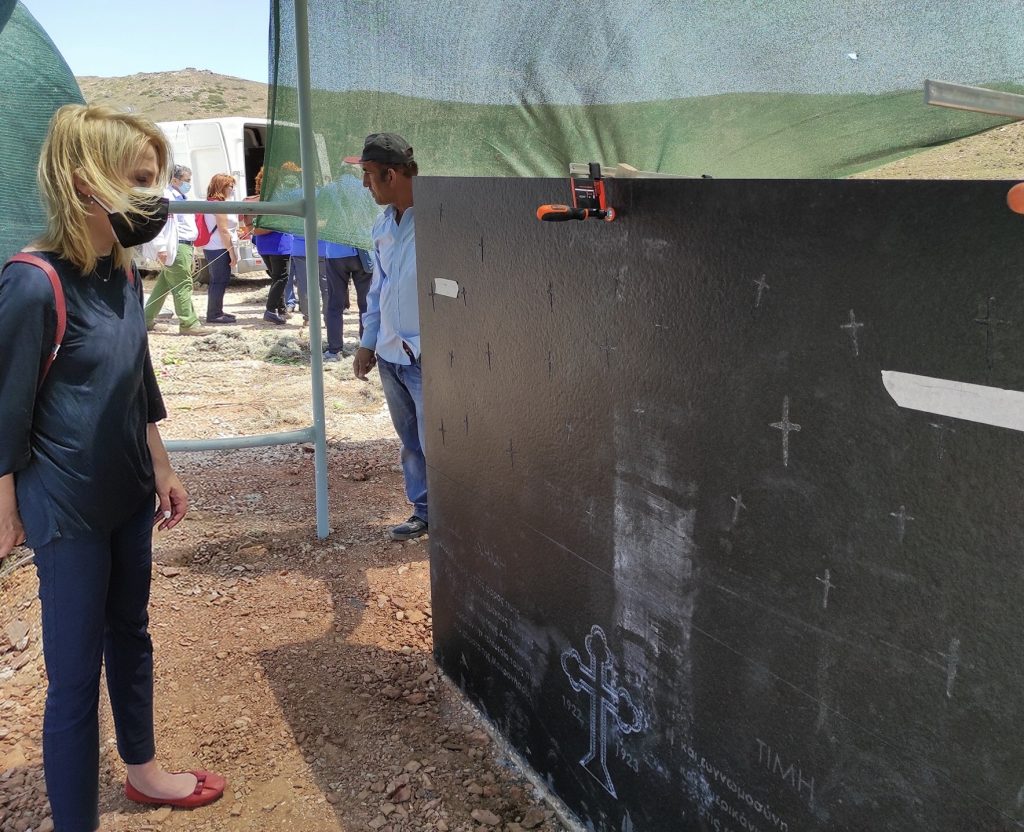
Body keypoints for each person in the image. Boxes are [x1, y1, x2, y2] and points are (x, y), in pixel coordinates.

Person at [0, 104, 225, 832]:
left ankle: (143, 772)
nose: (155, 197)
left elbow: (137, 377)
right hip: (66, 508)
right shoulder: (33, 282)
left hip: (128, 491)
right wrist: (6, 509)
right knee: (72, 677)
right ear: (83, 184)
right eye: (139, 180)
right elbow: (5, 408)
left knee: (131, 631)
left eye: (155, 179)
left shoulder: (122, 273)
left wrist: (162, 465)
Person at [348, 133, 427, 540]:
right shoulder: (383, 224)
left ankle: (455, 520)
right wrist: (368, 342)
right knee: (410, 441)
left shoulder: (437, 219)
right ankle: (424, 512)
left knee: (438, 443)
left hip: (426, 356)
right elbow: (378, 289)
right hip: (391, 355)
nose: (365, 184)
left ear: (391, 175)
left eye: (368, 174)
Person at [143, 163, 203, 335]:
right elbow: (160, 224)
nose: (189, 183)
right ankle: (188, 323)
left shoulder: (181, 196)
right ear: (175, 180)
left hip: (183, 245)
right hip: (177, 245)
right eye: (186, 180)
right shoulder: (167, 196)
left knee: (163, 286)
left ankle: (145, 319)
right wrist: (161, 247)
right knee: (183, 284)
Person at [247, 164, 292, 325]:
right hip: (279, 244)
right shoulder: (279, 198)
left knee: (276, 277)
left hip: (263, 244)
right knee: (281, 277)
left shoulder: (257, 200)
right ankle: (270, 310)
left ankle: (281, 308)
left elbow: (249, 224)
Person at [323, 241, 373, 361]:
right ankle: (368, 347)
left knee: (334, 305)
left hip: (335, 254)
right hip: (362, 253)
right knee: (367, 305)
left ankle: (334, 350)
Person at [200, 173, 238, 324]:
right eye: (230, 186)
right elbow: (223, 230)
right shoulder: (218, 205)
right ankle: (214, 314)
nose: (232, 189)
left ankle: (217, 310)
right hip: (219, 247)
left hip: (214, 246)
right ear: (222, 187)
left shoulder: (211, 202)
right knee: (219, 280)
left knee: (219, 280)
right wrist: (232, 252)